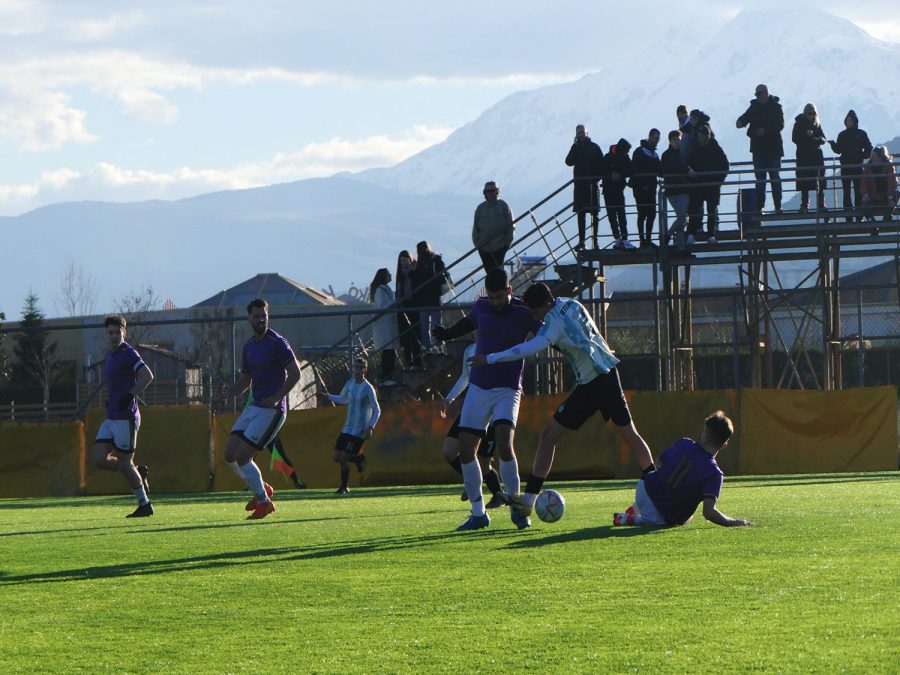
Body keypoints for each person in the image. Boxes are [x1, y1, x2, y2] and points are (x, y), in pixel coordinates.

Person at [469, 282, 655, 518]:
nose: (537, 319)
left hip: (597, 381)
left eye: (536, 313)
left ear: (545, 304)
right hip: (601, 375)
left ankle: (654, 482)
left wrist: (491, 358)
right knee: (555, 436)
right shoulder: (572, 303)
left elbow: (527, 349)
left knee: (620, 433)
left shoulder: (552, 325)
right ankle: (528, 499)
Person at [432, 267, 541, 531]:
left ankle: (518, 509)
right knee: (466, 450)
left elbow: (546, 334)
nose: (495, 303)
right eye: (491, 298)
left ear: (509, 291)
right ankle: (478, 513)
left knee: (504, 442)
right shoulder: (481, 306)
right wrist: (446, 333)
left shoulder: (524, 312)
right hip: (479, 389)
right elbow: (469, 323)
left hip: (508, 389)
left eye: (499, 297)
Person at [222, 298, 301, 520]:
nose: (260, 320)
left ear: (268, 316)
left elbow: (296, 374)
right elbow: (245, 380)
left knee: (243, 456)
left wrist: (277, 397)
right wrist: (230, 392)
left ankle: (264, 502)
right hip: (254, 407)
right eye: (256, 316)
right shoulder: (249, 346)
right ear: (249, 318)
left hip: (273, 410)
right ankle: (262, 488)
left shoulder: (278, 343)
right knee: (229, 455)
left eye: (264, 316)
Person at [612, 411, 752, 528]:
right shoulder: (714, 474)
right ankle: (630, 519)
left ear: (704, 433)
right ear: (724, 445)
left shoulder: (684, 443)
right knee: (678, 520)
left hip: (643, 488)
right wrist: (733, 522)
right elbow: (709, 512)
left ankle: (635, 508)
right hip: (660, 513)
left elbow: (660, 461)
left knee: (661, 491)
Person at [91, 314, 155, 518]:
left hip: (126, 417)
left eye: (117, 332)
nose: (113, 336)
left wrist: (130, 396)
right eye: (110, 332)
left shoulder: (129, 353)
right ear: (105, 334)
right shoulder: (110, 354)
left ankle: (144, 505)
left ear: (124, 333)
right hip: (111, 417)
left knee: (126, 464)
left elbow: (148, 376)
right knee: (99, 459)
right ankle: (137, 473)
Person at [440, 342, 505, 509]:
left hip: (492, 412)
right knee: (449, 451)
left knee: (484, 462)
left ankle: (498, 497)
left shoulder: (498, 348)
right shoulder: (469, 349)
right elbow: (465, 377)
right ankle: (473, 479)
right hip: (471, 410)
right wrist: (449, 398)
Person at [324, 357, 381, 494]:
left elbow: (377, 409)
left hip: (359, 431)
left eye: (361, 368)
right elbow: (343, 400)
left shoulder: (368, 388)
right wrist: (327, 396)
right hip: (347, 427)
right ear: (353, 368)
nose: (358, 370)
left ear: (365, 370)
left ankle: (344, 486)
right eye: (356, 367)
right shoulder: (349, 384)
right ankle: (358, 459)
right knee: (336, 456)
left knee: (343, 458)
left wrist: (370, 426)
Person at [736, 84, 785, 213]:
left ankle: (778, 206)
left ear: (766, 93)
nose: (757, 97)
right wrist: (741, 122)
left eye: (759, 94)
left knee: (774, 178)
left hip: (773, 149)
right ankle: (760, 207)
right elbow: (743, 120)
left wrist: (765, 131)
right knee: (761, 180)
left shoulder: (776, 107)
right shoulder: (754, 108)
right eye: (756, 94)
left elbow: (780, 125)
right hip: (759, 149)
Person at [687, 125, 730, 244]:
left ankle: (710, 234)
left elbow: (725, 166)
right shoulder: (696, 148)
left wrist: (718, 181)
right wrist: (688, 170)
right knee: (695, 210)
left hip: (711, 186)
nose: (700, 139)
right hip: (698, 185)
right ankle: (692, 234)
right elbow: (687, 163)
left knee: (711, 211)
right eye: (699, 136)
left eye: (702, 136)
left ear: (707, 136)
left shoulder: (715, 149)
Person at [565, 124, 605, 249]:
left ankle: (595, 241)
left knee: (594, 213)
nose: (580, 135)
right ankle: (582, 241)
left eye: (582, 132)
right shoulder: (576, 147)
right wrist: (574, 147)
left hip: (592, 185)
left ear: (587, 133)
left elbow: (602, 164)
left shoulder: (594, 147)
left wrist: (596, 178)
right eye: (578, 133)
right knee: (581, 213)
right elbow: (568, 162)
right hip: (580, 186)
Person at [828, 110, 873, 221]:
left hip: (856, 166)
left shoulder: (860, 134)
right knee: (846, 192)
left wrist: (861, 156)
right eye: (847, 120)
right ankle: (849, 216)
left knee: (858, 191)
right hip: (847, 167)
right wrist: (833, 144)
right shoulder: (843, 134)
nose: (848, 122)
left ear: (854, 121)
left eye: (850, 120)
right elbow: (838, 150)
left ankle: (858, 215)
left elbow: (869, 148)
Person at [792, 103, 828, 216]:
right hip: (804, 156)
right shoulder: (798, 124)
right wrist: (806, 135)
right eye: (809, 113)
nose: (811, 115)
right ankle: (805, 204)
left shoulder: (817, 124)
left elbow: (823, 138)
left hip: (815, 156)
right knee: (804, 180)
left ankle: (821, 203)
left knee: (819, 180)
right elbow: (795, 139)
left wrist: (818, 139)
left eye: (813, 113)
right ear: (805, 113)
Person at [413, 240, 449, 353]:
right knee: (428, 327)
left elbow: (443, 276)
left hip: (432, 298)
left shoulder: (433, 261)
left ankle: (436, 348)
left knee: (434, 326)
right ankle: (430, 349)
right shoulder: (426, 262)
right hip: (428, 299)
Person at [629, 128, 662, 248]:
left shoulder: (653, 154)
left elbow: (660, 169)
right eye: (655, 138)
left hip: (651, 188)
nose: (656, 141)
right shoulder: (640, 152)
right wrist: (642, 184)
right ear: (650, 137)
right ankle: (642, 239)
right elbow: (636, 169)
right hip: (640, 188)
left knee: (651, 214)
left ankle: (647, 239)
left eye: (658, 139)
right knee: (642, 213)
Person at [661, 130, 692, 253]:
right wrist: (685, 170)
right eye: (674, 140)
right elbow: (669, 170)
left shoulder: (683, 154)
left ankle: (680, 247)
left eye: (678, 139)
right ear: (670, 141)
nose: (677, 142)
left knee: (682, 218)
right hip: (673, 190)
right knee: (682, 218)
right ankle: (668, 236)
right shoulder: (666, 155)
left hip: (683, 189)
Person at [472, 180, 514, 271]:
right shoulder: (480, 208)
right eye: (488, 191)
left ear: (497, 191)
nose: (490, 193)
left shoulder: (504, 206)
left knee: (499, 272)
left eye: (492, 190)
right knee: (489, 273)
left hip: (500, 247)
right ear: (484, 193)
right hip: (484, 248)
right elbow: (475, 228)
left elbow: (510, 226)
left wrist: (507, 243)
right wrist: (478, 244)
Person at [603, 138, 635, 250]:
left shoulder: (624, 157)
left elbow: (631, 169)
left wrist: (620, 175)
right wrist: (611, 175)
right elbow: (602, 170)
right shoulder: (608, 158)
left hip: (617, 190)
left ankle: (623, 239)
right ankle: (619, 239)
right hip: (609, 190)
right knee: (613, 216)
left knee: (620, 216)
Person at [369, 268, 399, 386]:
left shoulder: (383, 289)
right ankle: (386, 377)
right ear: (384, 276)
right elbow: (382, 306)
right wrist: (395, 302)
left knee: (389, 351)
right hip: (385, 325)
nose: (391, 275)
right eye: (388, 274)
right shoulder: (381, 291)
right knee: (388, 351)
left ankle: (388, 377)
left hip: (387, 324)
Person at [395, 250, 423, 370]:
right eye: (401, 260)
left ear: (410, 259)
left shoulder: (414, 273)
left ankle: (417, 362)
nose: (403, 262)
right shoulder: (400, 276)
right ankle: (408, 363)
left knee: (415, 336)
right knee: (406, 338)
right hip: (403, 308)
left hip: (414, 307)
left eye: (405, 259)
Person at [861, 146, 898, 222]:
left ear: (880, 157)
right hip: (873, 197)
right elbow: (864, 183)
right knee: (863, 205)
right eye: (872, 156)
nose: (872, 158)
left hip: (886, 197)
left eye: (874, 156)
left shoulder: (889, 166)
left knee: (897, 194)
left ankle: (887, 217)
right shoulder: (868, 167)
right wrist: (865, 195)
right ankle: (872, 224)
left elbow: (892, 182)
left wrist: (890, 197)